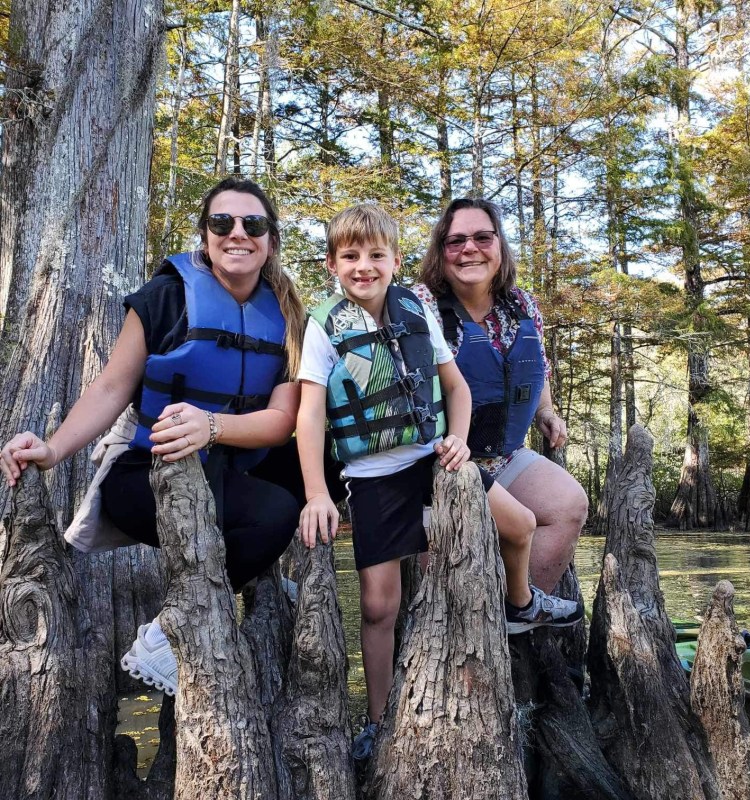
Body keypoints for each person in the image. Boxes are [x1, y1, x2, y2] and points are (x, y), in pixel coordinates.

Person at [0, 177, 327, 696]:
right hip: (149, 473)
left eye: (253, 224)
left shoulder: (289, 316)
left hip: (233, 465)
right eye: (221, 222)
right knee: (273, 515)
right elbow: (112, 386)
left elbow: (282, 421)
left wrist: (211, 426)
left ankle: (243, 569)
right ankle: (169, 633)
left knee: (322, 460)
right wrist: (53, 448)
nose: (237, 233)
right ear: (204, 236)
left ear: (270, 240)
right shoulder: (165, 297)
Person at [295, 204, 582, 761]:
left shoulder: (415, 310)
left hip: (434, 463)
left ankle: (519, 603)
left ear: (395, 261)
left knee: (521, 524)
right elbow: (309, 414)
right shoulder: (323, 325)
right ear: (331, 264)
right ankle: (377, 720)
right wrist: (316, 493)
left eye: (376, 255)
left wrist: (458, 440)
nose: (363, 266)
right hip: (372, 480)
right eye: (350, 256)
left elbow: (457, 389)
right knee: (379, 607)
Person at [414, 197, 589, 596]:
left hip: (504, 457)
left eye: (482, 237)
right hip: (438, 467)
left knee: (568, 504)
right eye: (456, 241)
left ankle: (516, 610)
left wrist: (546, 410)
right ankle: (460, 619)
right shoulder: (418, 306)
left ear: (499, 246)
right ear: (441, 251)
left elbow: (537, 367)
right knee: (445, 555)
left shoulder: (522, 305)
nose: (469, 249)